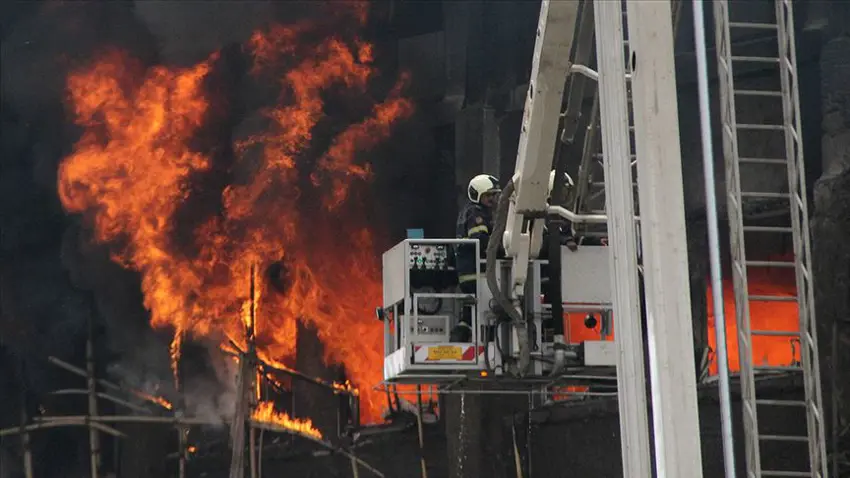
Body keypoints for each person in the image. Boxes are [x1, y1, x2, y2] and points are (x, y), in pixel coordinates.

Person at [451, 174, 501, 342]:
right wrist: (502, 249)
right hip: (475, 272)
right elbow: (481, 240)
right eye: (489, 196)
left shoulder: (469, 211)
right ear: (477, 195)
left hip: (468, 273)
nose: (493, 199)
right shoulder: (475, 213)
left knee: (470, 312)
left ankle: (460, 334)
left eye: (494, 195)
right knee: (494, 305)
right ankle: (491, 339)